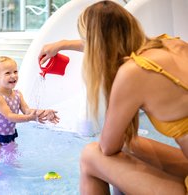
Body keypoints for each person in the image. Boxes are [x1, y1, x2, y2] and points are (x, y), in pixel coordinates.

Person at [39, 1, 188, 194]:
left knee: (91, 155)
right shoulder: (172, 44)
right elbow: (110, 44)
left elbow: (108, 147)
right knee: (129, 145)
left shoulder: (134, 72)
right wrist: (64, 44)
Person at [0, 56, 59, 177]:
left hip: (9, 134)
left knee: (12, 155)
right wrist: (31, 118)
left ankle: (11, 170)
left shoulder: (18, 94)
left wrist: (45, 112)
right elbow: (10, 116)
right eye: (7, 73)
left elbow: (27, 110)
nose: (13, 75)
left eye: (15, 71)